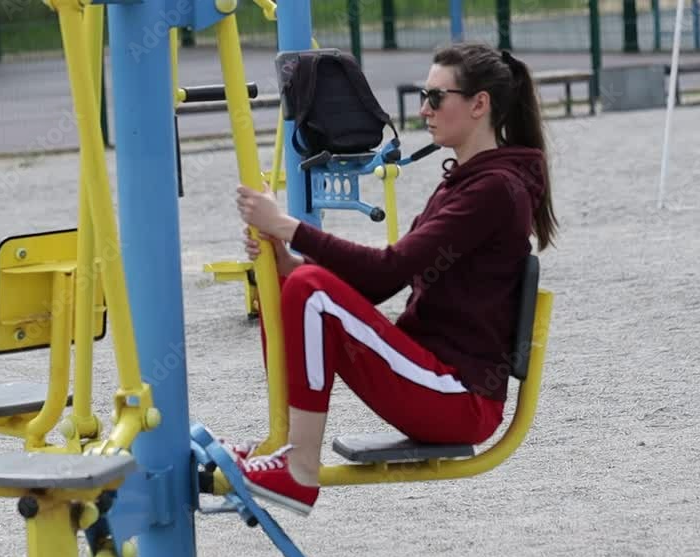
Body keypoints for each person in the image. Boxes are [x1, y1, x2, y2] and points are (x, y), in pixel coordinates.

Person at [230, 42, 558, 516]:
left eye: (436, 97)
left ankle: (299, 469)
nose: (424, 109)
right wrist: (287, 261)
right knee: (289, 287)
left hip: (459, 397)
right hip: (433, 378)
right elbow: (379, 285)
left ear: (479, 104)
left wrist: (288, 227)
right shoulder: (467, 181)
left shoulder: (495, 189)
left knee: (310, 289)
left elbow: (388, 267)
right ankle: (280, 446)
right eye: (423, 96)